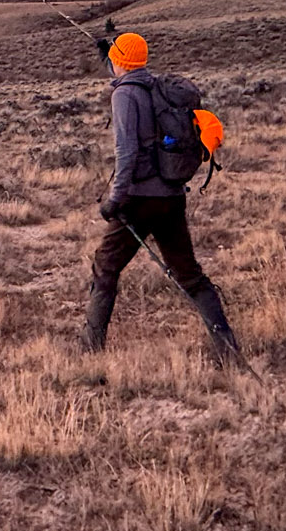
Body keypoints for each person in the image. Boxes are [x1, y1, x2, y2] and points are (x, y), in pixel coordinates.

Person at [84, 32, 242, 362]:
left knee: (105, 268)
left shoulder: (125, 94)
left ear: (118, 61)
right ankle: (228, 351)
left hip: (139, 199)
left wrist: (116, 198)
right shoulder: (157, 88)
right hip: (171, 195)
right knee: (190, 275)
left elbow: (125, 151)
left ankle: (89, 351)